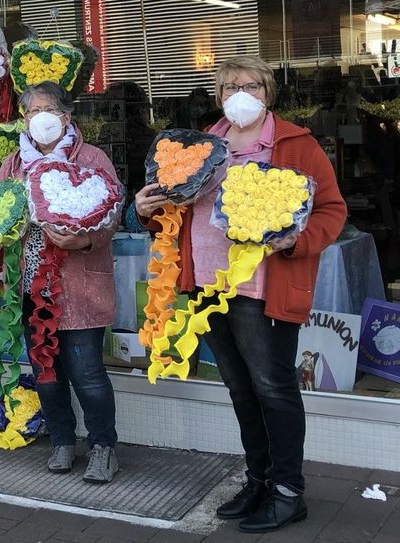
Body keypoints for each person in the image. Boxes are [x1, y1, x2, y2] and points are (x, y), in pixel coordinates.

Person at [135, 56, 346, 533]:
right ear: (218, 95)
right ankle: (259, 479)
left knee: (273, 388)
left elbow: (331, 210)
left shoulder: (295, 143)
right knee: (239, 388)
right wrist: (147, 208)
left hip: (262, 288)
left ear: (268, 92)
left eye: (250, 84)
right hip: (208, 285)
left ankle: (288, 490)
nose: (240, 93)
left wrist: (297, 240)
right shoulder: (200, 145)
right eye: (229, 86)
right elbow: (173, 209)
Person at [0, 81, 122, 483]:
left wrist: (86, 238)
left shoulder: (92, 158)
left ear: (66, 116)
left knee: (88, 374)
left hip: (78, 287)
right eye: (30, 111)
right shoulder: (13, 165)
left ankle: (102, 448)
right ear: (23, 120)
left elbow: (111, 212)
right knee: (48, 373)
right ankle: (62, 440)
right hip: (30, 288)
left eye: (48, 109)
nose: (39, 117)